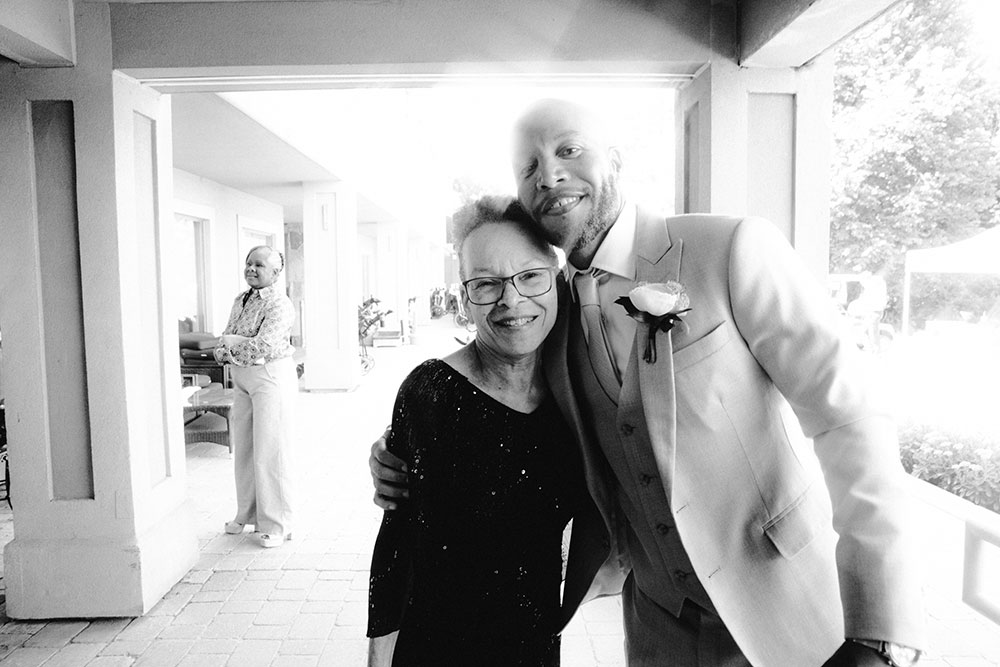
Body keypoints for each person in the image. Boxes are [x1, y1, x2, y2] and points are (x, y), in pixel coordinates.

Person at [371, 99, 926, 666]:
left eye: (568, 149)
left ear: (614, 159)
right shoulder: (546, 310)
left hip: (791, 611)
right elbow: (506, 412)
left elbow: (848, 417)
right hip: (658, 625)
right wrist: (403, 454)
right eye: (529, 167)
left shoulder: (730, 249)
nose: (551, 175)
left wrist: (879, 631)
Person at [367, 196, 589, 666]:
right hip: (437, 647)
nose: (511, 300)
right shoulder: (430, 393)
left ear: (557, 280)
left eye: (529, 276)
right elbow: (397, 544)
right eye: (486, 284)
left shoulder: (577, 396)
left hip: (535, 644)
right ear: (465, 298)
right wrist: (378, 657)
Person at [214, 245, 296, 548]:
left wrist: (232, 346)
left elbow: (264, 346)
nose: (251, 269)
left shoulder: (279, 304)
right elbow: (222, 341)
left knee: (270, 450)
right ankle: (246, 514)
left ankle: (277, 524)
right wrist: (232, 344)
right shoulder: (241, 299)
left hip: (270, 379)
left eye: (259, 265)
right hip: (243, 379)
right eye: (249, 263)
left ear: (275, 273)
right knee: (245, 449)